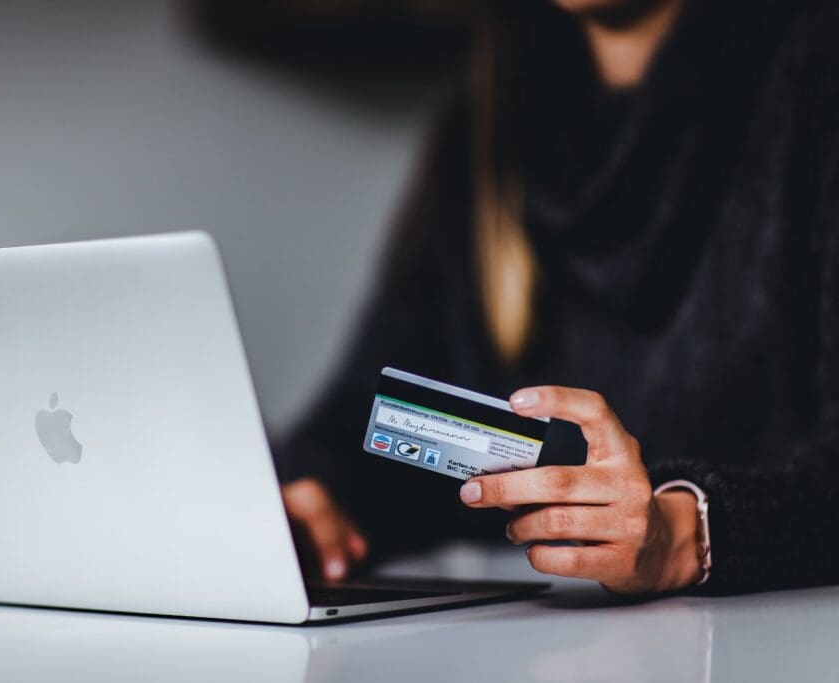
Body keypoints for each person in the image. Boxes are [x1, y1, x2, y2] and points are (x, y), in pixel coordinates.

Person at [276, 0, 839, 595]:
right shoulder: (488, 119)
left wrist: (686, 533)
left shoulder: (817, 75)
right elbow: (365, 423)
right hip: (531, 635)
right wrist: (314, 504)